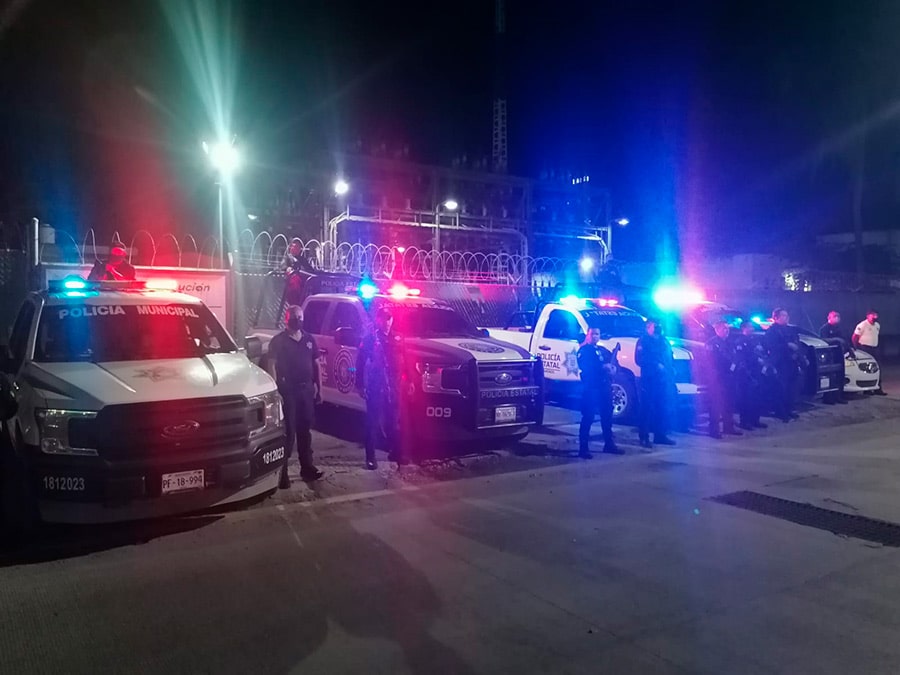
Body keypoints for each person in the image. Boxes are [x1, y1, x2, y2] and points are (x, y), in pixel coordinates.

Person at [267, 305, 324, 487]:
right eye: (294, 317)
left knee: (305, 432)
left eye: (300, 317)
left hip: (306, 391)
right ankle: (282, 473)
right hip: (288, 391)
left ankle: (307, 468)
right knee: (289, 433)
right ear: (287, 318)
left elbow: (316, 364)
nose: (298, 320)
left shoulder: (309, 339)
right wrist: (276, 391)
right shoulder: (279, 341)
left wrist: (319, 388)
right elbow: (271, 365)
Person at [356, 307, 406, 468]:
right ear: (378, 320)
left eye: (389, 318)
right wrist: (359, 384)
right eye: (383, 319)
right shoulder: (370, 339)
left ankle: (396, 453)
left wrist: (410, 381)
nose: (387, 322)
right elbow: (360, 362)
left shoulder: (398, 338)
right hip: (376, 385)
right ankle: (370, 458)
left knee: (394, 422)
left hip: (394, 386)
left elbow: (405, 360)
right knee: (372, 422)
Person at [576, 327, 623, 458]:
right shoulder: (584, 351)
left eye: (597, 334)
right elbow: (586, 367)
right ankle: (583, 448)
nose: (595, 336)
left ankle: (609, 444)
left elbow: (612, 362)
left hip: (604, 387)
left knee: (607, 416)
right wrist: (602, 367)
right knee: (588, 416)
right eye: (593, 334)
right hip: (591, 388)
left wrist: (613, 368)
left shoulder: (602, 350)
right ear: (588, 335)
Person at [635, 317, 676, 449]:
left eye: (659, 324)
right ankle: (644, 436)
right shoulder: (643, 341)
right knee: (646, 408)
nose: (658, 327)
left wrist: (671, 368)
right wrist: (655, 365)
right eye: (655, 325)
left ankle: (660, 435)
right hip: (649, 379)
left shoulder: (663, 340)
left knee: (661, 407)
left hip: (663, 379)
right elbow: (639, 359)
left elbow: (669, 356)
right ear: (648, 327)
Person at [705, 320, 742, 438]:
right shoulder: (712, 343)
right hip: (717, 378)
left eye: (727, 329)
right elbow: (710, 362)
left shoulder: (730, 342)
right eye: (724, 328)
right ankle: (714, 430)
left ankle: (728, 427)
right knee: (716, 404)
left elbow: (736, 357)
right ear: (717, 330)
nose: (726, 331)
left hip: (730, 377)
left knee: (729, 403)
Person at [765, 308, 801, 422]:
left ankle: (789, 409)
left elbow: (797, 342)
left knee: (791, 388)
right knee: (781, 389)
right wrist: (787, 345)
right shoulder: (771, 331)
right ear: (776, 318)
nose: (786, 318)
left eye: (787, 315)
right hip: (780, 364)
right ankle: (780, 412)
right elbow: (771, 346)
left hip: (792, 362)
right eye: (783, 316)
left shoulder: (790, 330)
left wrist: (797, 353)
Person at [732, 320, 768, 430]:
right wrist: (756, 360)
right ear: (744, 328)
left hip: (756, 372)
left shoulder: (754, 340)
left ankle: (755, 420)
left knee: (757, 397)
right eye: (750, 327)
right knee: (746, 398)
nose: (752, 329)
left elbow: (761, 352)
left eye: (752, 327)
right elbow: (742, 358)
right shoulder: (740, 341)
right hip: (746, 373)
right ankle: (744, 422)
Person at [820, 311, 851, 404]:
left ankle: (839, 396)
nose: (837, 318)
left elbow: (845, 340)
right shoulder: (824, 328)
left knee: (840, 376)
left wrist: (850, 350)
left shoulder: (839, 328)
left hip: (839, 354)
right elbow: (823, 339)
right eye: (835, 317)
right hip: (830, 355)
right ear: (829, 318)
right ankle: (829, 398)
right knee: (831, 377)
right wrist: (836, 339)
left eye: (838, 317)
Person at [853, 310, 887, 396]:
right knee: (866, 368)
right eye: (873, 315)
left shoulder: (877, 325)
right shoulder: (862, 325)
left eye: (876, 315)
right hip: (865, 348)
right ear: (868, 316)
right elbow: (855, 337)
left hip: (874, 348)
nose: (874, 317)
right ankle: (867, 389)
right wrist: (857, 348)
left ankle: (877, 388)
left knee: (877, 368)